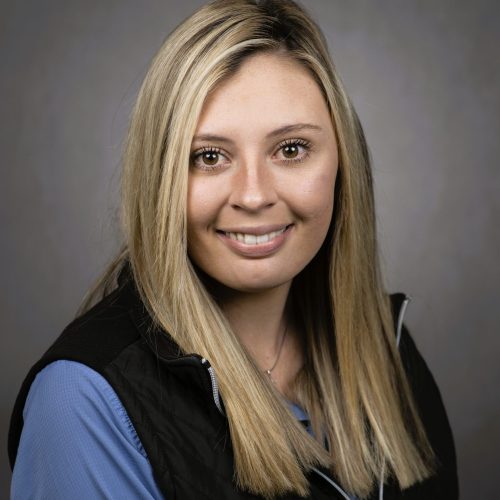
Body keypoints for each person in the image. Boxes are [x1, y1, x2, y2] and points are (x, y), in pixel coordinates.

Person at [8, 0, 458, 498]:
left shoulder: (386, 349)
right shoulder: (83, 401)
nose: (253, 195)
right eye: (209, 157)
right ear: (160, 178)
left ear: (343, 163)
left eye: (290, 149)